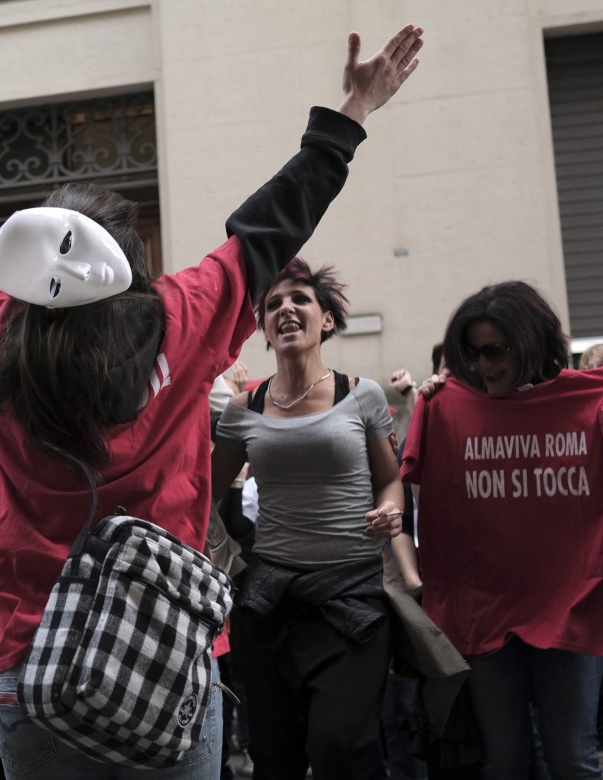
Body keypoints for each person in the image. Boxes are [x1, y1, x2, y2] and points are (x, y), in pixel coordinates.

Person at [0, 22, 423, 778]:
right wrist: (353, 109)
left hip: (34, 666)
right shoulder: (180, 323)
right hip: (166, 660)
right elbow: (272, 224)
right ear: (131, 263)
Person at [403, 281, 603, 780]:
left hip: (571, 605)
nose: (485, 366)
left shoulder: (586, 400)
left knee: (572, 759)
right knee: (505, 761)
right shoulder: (448, 406)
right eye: (473, 353)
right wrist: (429, 411)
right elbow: (432, 502)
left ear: (530, 343)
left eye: (496, 351)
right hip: (488, 610)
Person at [209, 258, 407, 779]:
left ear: (327, 321)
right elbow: (200, 494)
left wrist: (392, 511)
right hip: (269, 600)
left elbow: (390, 479)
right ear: (265, 329)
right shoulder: (243, 408)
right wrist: (228, 562)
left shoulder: (360, 395)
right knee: (276, 760)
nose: (285, 309)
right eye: (272, 304)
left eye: (299, 299)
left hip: (352, 600)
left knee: (338, 745)